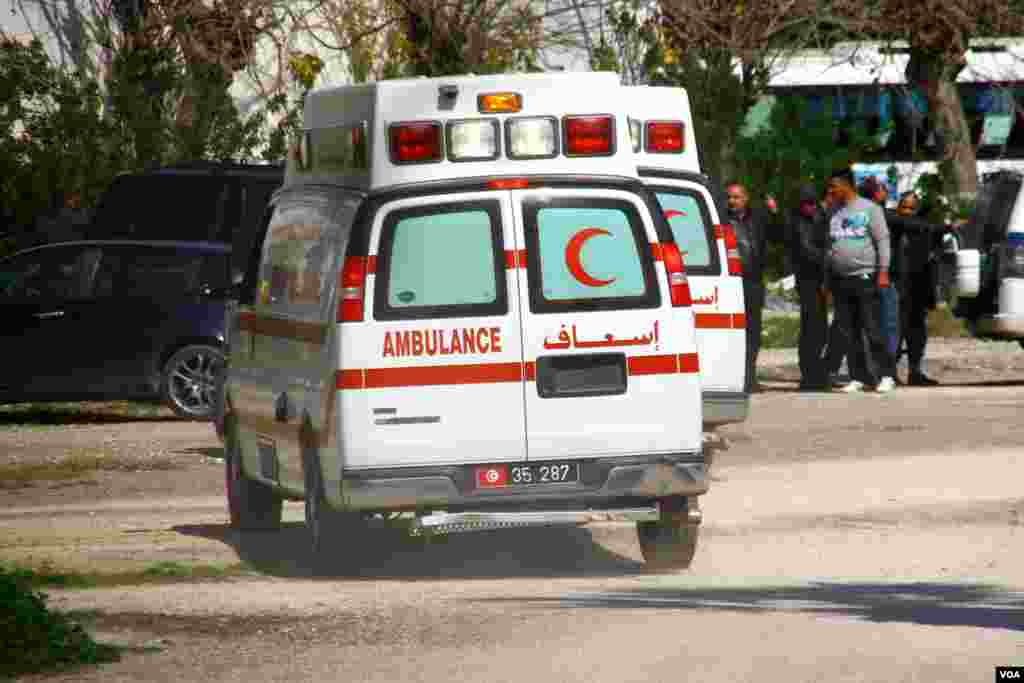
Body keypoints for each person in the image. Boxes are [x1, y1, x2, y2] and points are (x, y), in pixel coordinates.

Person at [824, 167, 893, 394]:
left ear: (847, 185)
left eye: (834, 186)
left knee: (872, 328)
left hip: (865, 276)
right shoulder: (834, 211)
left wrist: (883, 271)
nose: (831, 190)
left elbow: (882, 241)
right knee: (848, 330)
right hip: (841, 279)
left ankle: (886, 375)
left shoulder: (869, 209)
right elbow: (831, 245)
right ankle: (858, 376)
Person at [891, 191, 946, 386]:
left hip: (918, 289)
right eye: (904, 207)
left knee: (917, 334)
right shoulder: (894, 222)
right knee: (896, 331)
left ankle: (915, 371)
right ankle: (890, 372)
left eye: (912, 208)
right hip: (898, 288)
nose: (907, 212)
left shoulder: (925, 229)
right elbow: (905, 223)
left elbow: (935, 256)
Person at [725, 181, 774, 392]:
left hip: (753, 281)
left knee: (753, 331)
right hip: (732, 281)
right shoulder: (722, 219)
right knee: (735, 331)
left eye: (736, 197)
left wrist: (774, 213)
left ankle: (750, 377)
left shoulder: (759, 218)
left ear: (746, 199)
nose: (732, 201)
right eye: (730, 197)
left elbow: (778, 235)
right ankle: (736, 377)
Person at [786, 184, 830, 390]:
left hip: (822, 279)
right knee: (811, 328)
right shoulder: (797, 221)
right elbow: (806, 250)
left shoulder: (821, 217)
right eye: (806, 204)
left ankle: (817, 372)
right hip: (808, 281)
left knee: (820, 328)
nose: (810, 207)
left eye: (812, 203)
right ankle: (809, 375)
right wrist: (829, 258)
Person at [858, 177, 901, 386]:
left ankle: (874, 372)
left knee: (871, 326)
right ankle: (885, 372)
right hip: (881, 278)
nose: (886, 192)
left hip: (866, 276)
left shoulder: (858, 213)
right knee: (887, 326)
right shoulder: (879, 213)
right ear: (876, 194)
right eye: (883, 189)